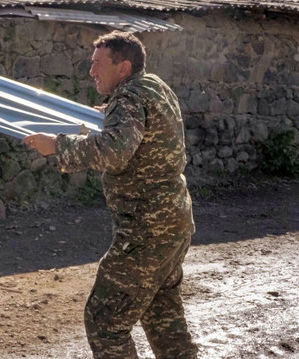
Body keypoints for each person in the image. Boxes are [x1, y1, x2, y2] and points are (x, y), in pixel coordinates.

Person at [24, 31, 198, 359]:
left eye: (98, 64)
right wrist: (108, 117)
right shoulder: (154, 87)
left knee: (104, 321)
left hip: (147, 232)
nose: (91, 72)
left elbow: (117, 151)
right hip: (174, 224)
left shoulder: (128, 97)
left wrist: (58, 145)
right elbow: (145, 133)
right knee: (164, 321)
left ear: (123, 67)